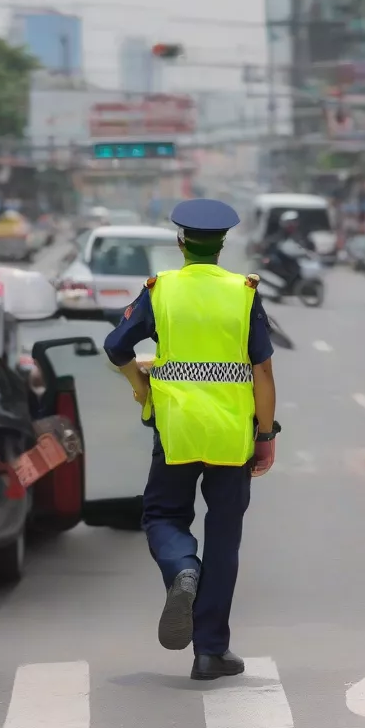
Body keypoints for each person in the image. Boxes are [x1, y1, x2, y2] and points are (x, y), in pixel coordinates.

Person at [104, 199, 280, 682]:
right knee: (224, 539)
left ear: (181, 242)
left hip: (176, 430)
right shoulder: (244, 293)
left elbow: (117, 347)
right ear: (223, 245)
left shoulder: (161, 291)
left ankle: (183, 567)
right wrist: (265, 434)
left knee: (162, 515)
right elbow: (262, 371)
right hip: (232, 435)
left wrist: (141, 386)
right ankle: (210, 652)